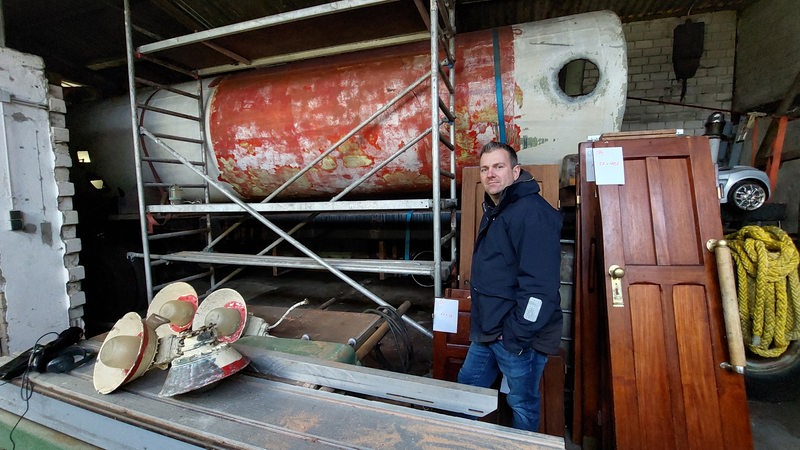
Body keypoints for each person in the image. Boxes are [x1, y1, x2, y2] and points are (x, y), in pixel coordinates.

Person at [457, 141, 563, 432]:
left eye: (499, 167)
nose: (490, 174)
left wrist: (516, 334)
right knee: (466, 390)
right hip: (490, 329)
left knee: (521, 402)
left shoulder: (531, 213)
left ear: (515, 172)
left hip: (515, 337)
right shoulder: (498, 208)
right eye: (485, 168)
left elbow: (539, 288)